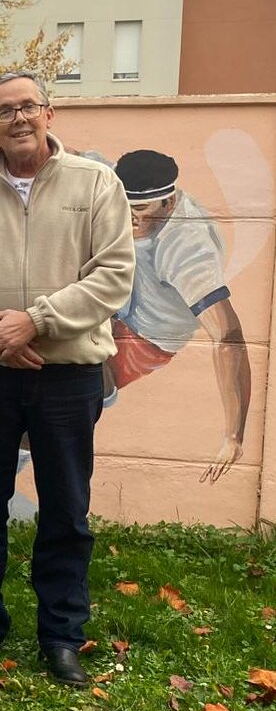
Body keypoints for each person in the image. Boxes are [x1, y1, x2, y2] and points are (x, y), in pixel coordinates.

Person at [0, 71, 134, 685]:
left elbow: (113, 275)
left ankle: (62, 633)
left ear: (50, 113)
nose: (18, 119)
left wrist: (35, 323)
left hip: (67, 376)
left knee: (67, 507)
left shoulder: (96, 184)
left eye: (28, 107)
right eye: (4, 111)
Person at [110, 149, 250, 484]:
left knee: (72, 380)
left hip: (144, 337)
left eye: (140, 210)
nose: (128, 218)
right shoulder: (114, 183)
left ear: (169, 203)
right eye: (122, 207)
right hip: (115, 302)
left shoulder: (187, 249)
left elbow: (228, 337)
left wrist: (234, 435)